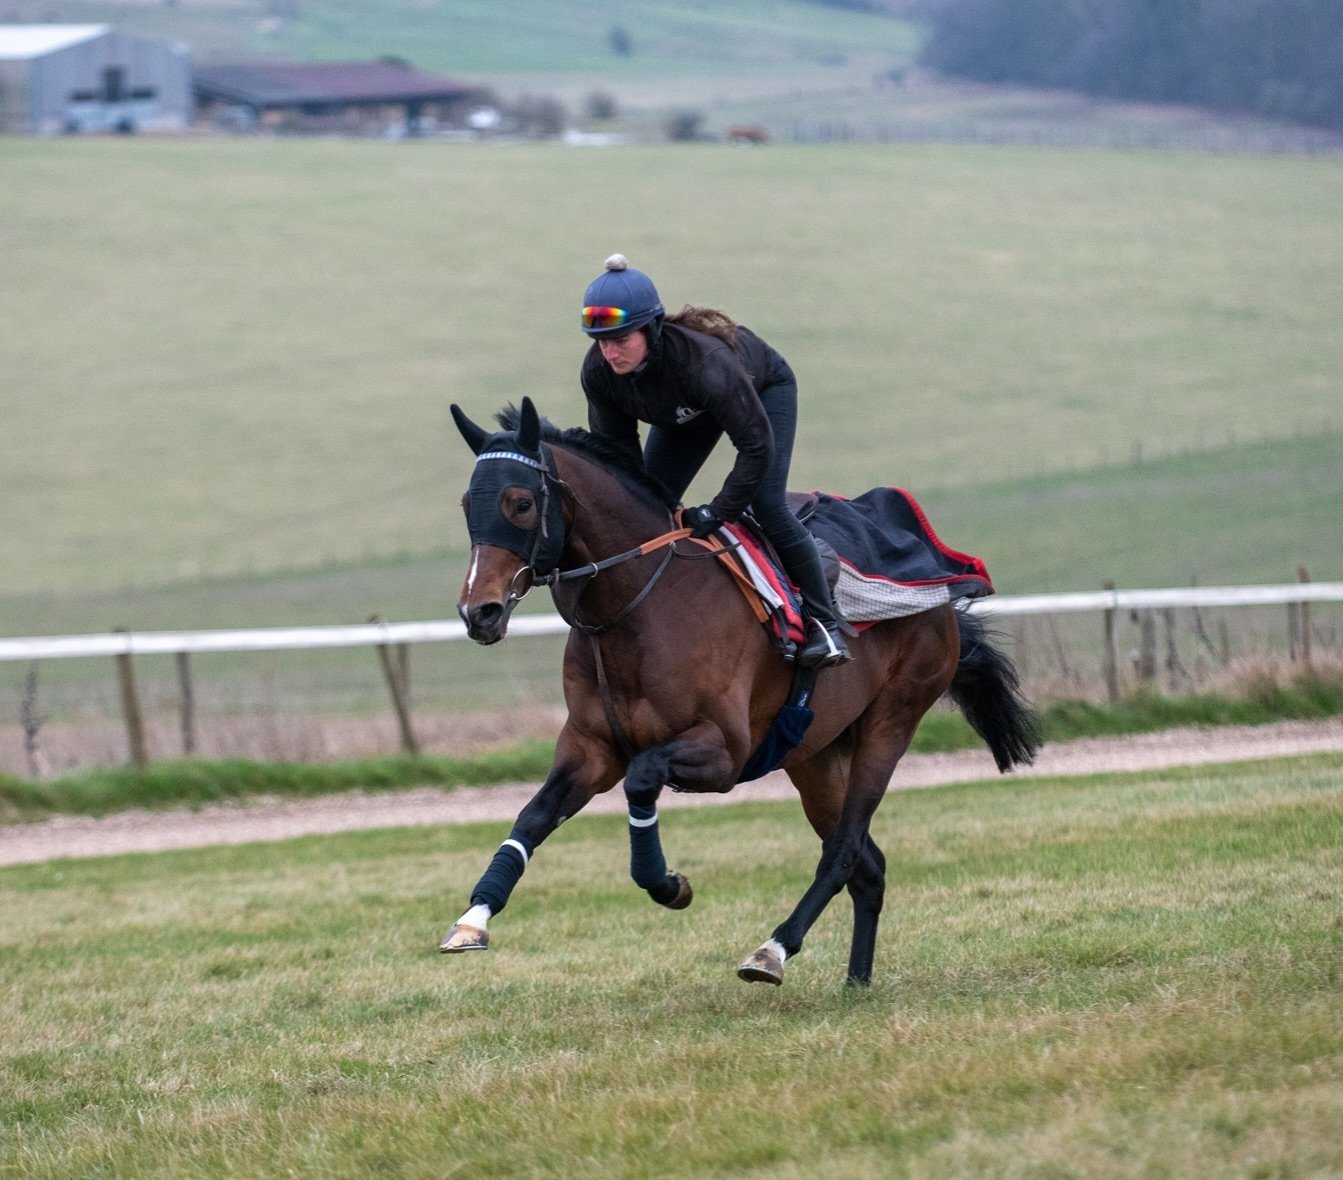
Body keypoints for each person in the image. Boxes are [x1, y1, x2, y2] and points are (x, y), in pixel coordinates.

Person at [579, 254, 851, 667]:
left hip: (762, 391)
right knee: (646, 507)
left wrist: (717, 512)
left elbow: (757, 448)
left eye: (621, 340)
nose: (610, 353)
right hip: (686, 411)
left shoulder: (705, 362)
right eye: (601, 342)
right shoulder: (599, 373)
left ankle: (827, 627)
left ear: (652, 329)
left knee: (767, 506)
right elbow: (621, 459)